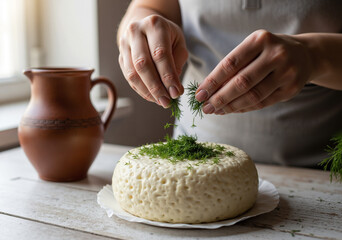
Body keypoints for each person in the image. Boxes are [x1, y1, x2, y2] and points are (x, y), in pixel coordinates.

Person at [117, 0, 342, 167]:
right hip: (192, 159)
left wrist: (313, 56)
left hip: (320, 169)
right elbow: (150, 7)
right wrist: (140, 29)